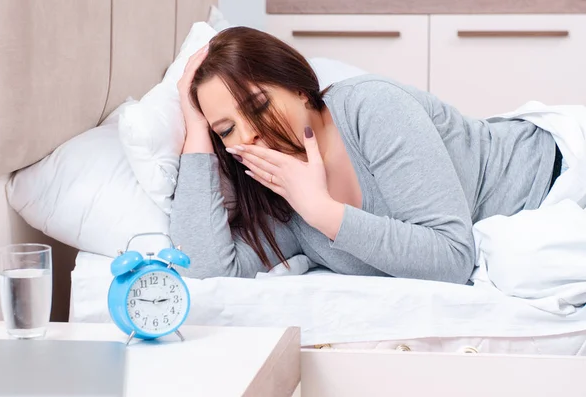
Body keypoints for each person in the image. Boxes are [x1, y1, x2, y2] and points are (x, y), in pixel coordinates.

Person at [170, 26, 563, 283]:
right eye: (226, 129)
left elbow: (453, 256)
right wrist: (196, 132)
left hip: (556, 173)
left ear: (300, 89)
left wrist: (322, 212)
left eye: (257, 106)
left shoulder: (370, 108)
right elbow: (204, 274)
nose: (249, 134)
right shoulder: (278, 195)